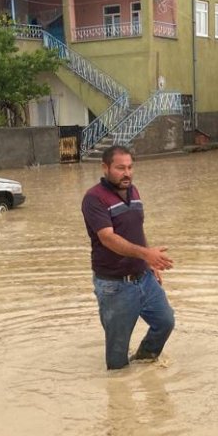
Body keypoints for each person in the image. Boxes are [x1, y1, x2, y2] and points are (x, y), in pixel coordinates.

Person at [81, 145, 175, 370]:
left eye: (130, 167)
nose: (127, 173)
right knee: (117, 354)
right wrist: (146, 254)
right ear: (105, 168)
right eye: (120, 168)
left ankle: (144, 363)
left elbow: (136, 229)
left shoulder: (134, 192)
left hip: (144, 277)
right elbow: (108, 238)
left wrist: (149, 262)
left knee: (165, 322)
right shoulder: (94, 198)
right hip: (114, 285)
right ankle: (118, 397)